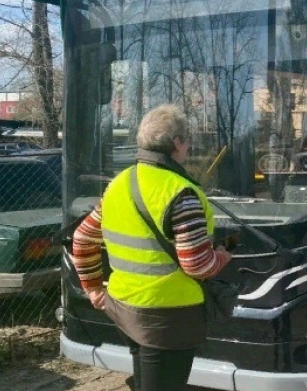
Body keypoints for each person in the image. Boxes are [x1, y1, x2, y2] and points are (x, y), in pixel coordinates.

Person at [72, 104, 232, 391]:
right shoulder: (180, 193)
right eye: (187, 141)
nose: (188, 147)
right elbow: (197, 265)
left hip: (123, 311)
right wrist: (222, 256)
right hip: (167, 320)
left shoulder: (118, 185)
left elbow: (83, 238)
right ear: (177, 143)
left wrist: (94, 288)